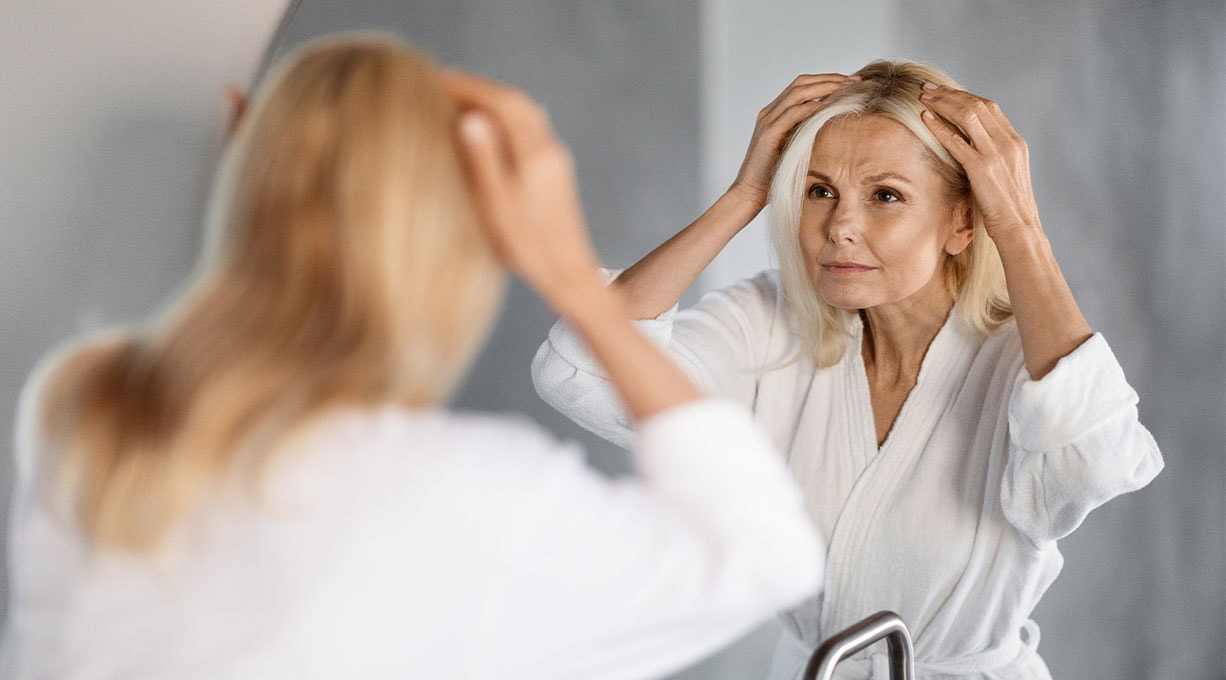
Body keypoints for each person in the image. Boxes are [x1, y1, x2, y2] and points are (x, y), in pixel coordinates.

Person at [0, 34, 825, 679]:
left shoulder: (86, 403)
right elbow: (768, 552)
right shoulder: (477, 499)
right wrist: (570, 274)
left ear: (239, 150)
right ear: (476, 235)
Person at [532, 59, 1164, 679]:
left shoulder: (1024, 362)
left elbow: (1095, 462)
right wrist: (744, 195)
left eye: (886, 195)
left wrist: (1019, 227)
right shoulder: (772, 322)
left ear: (963, 223)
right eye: (819, 190)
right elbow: (580, 373)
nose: (839, 227)